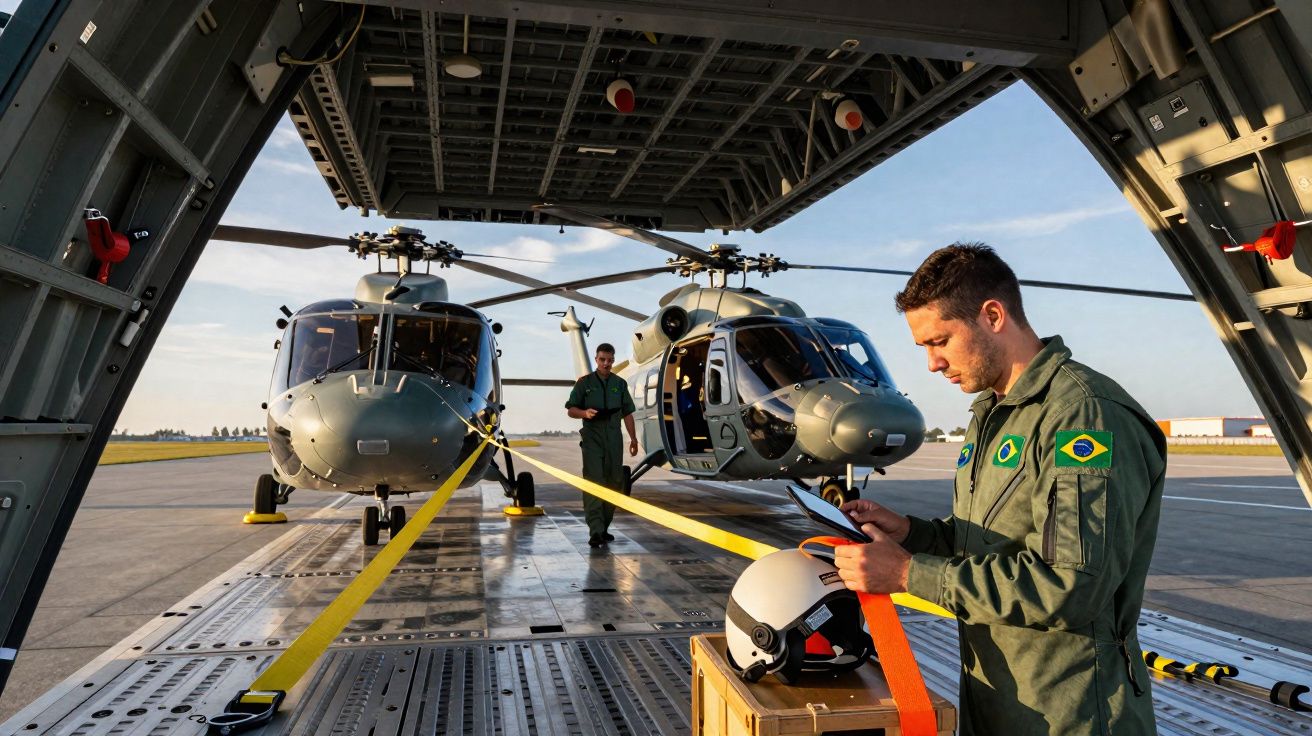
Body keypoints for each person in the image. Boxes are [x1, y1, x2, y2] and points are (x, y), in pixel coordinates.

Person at [832, 243, 1165, 735]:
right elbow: (993, 544)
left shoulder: (1082, 416)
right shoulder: (993, 414)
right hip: (1001, 702)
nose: (932, 363)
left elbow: (1070, 586)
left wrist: (907, 574)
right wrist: (912, 534)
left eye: (939, 341)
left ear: (992, 316)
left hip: (1072, 715)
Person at [565, 343, 639, 548]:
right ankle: (595, 530)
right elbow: (571, 409)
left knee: (615, 482)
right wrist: (584, 413)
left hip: (614, 438)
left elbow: (628, 413)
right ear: (596, 360)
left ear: (613, 360)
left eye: (609, 360)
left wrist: (633, 439)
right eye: (602, 360)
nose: (606, 363)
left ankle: (604, 528)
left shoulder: (620, 384)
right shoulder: (584, 383)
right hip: (593, 438)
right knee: (594, 481)